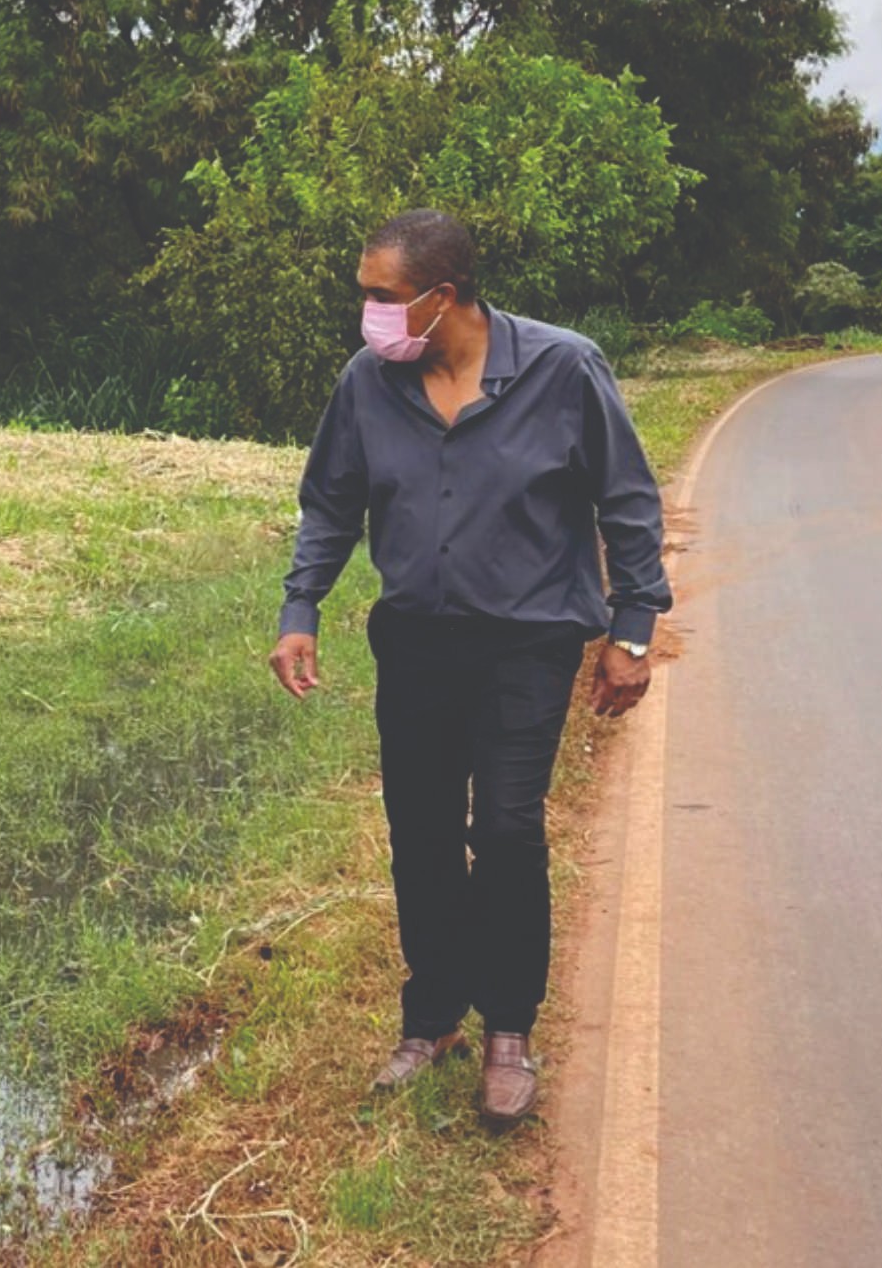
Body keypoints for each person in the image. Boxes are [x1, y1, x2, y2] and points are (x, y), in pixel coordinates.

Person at [268, 209, 671, 1125]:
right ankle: (433, 1016)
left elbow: (628, 500)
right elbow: (330, 502)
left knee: (508, 830)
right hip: (414, 642)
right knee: (419, 830)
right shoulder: (369, 383)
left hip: (526, 645)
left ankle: (510, 1035)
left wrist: (632, 629)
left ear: (441, 298)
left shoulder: (563, 369)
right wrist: (302, 610)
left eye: (382, 296)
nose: (367, 314)